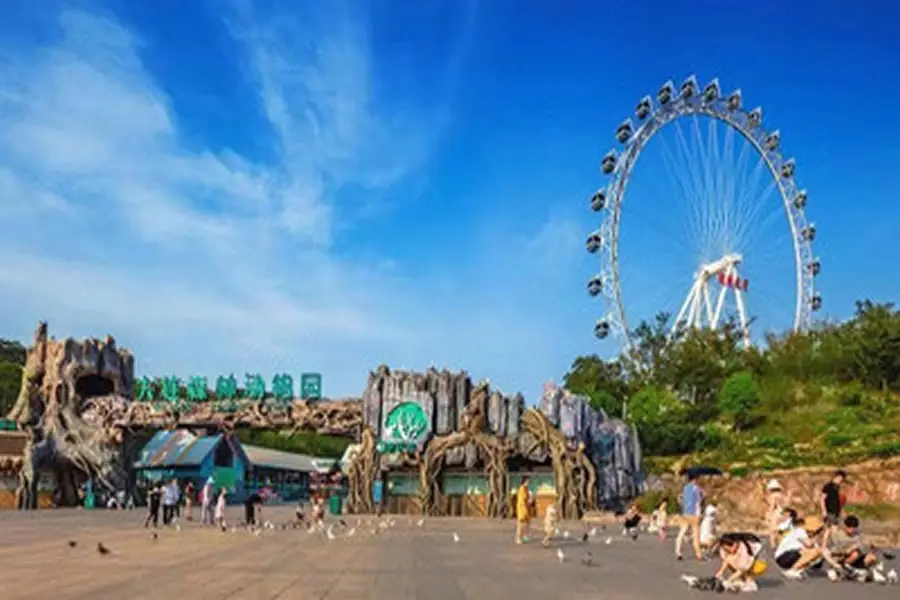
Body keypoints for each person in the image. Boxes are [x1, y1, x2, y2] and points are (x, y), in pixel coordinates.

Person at [675, 472, 704, 561]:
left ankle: (678, 551)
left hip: (685, 513)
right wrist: (699, 514)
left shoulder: (685, 487)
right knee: (696, 534)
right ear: (695, 479)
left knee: (682, 532)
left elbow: (682, 499)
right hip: (694, 514)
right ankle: (698, 554)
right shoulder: (696, 488)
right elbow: (698, 502)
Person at [820, 469, 846, 547]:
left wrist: (842, 510)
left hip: (835, 511)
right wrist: (823, 510)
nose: (841, 481)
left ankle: (824, 546)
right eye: (840, 479)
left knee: (828, 530)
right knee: (833, 529)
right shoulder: (828, 486)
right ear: (837, 477)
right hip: (829, 510)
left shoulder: (837, 487)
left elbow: (837, 500)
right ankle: (834, 546)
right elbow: (822, 498)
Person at [765, 479, 785, 547]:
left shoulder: (773, 496)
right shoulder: (781, 495)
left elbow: (772, 506)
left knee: (772, 531)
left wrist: (769, 515)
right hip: (781, 513)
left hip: (775, 514)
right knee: (780, 530)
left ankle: (773, 546)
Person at [515, 476, 532, 544]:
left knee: (527, 523)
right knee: (521, 524)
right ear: (524, 481)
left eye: (529, 481)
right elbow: (523, 500)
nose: (528, 482)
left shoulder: (526, 489)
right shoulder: (522, 489)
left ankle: (525, 536)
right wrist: (529, 500)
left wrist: (530, 498)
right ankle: (518, 538)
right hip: (522, 508)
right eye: (527, 481)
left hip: (526, 508)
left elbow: (527, 498)